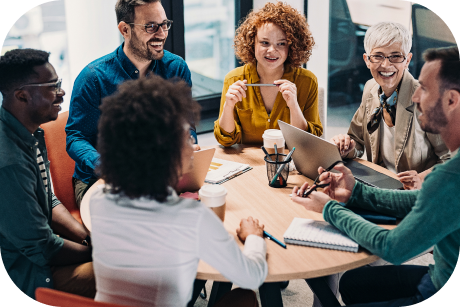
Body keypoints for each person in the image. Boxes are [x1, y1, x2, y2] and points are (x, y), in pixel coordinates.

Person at [292, 46, 460, 306]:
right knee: (352, 284)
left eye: (424, 89)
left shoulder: (450, 176)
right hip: (438, 275)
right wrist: (355, 192)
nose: (415, 96)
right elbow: (420, 200)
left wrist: (331, 210)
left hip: (436, 287)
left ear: (451, 100)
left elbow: (393, 247)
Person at [90, 75, 268, 307]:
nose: (194, 145)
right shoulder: (191, 218)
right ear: (163, 151)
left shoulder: (98, 201)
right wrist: (254, 238)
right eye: (185, 137)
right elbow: (253, 275)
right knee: (244, 298)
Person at [65, 0, 199, 208]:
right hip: (100, 180)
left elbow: (186, 124)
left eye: (164, 24)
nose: (162, 34)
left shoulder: (176, 68)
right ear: (124, 29)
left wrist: (188, 143)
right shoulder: (93, 78)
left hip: (161, 172)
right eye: (151, 26)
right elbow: (76, 137)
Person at [0, 49, 95, 300]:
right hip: (30, 272)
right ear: (22, 96)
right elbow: (42, 248)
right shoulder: (8, 163)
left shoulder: (28, 132)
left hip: (42, 251)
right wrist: (98, 253)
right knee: (134, 273)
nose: (62, 93)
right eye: (53, 87)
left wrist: (87, 237)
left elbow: (47, 200)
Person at [330, 22, 449, 190]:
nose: (386, 65)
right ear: (367, 60)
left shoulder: (426, 100)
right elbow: (356, 141)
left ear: (407, 60)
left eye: (395, 56)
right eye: (378, 56)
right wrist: (345, 146)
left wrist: (422, 179)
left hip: (414, 195)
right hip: (378, 186)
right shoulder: (370, 89)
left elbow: (451, 159)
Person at [214, 1, 322, 147]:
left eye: (281, 43)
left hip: (289, 164)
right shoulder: (234, 79)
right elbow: (226, 140)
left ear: (292, 46)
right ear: (252, 43)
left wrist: (293, 106)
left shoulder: (307, 81)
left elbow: (308, 143)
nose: (272, 50)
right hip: (249, 165)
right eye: (264, 43)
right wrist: (228, 107)